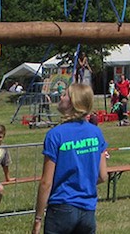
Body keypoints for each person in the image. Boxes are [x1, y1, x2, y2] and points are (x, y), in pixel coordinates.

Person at [32, 82, 108, 234]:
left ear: (74, 103)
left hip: (61, 207)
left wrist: (38, 218)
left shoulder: (55, 135)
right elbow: (103, 175)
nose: (61, 96)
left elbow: (46, 182)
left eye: (65, 94)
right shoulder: (96, 133)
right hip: (88, 210)